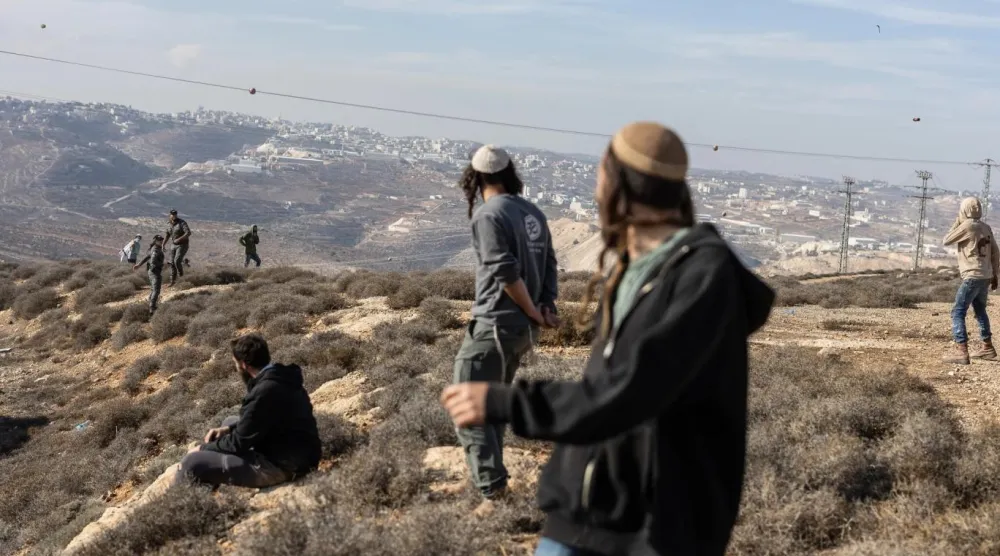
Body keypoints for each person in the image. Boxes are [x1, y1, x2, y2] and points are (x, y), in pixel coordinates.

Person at [441, 122, 775, 556]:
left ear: (619, 185)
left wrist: (503, 402)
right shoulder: (631, 266)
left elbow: (630, 391)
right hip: (589, 512)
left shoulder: (701, 278)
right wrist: (542, 308)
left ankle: (490, 486)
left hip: (657, 529)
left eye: (600, 174)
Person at [451, 144, 559, 501]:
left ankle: (492, 491)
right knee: (491, 404)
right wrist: (545, 308)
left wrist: (531, 309)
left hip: (495, 325)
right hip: (521, 332)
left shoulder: (489, 215)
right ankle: (491, 479)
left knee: (467, 403)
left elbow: (504, 271)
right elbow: (548, 266)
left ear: (476, 177)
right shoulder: (532, 213)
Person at [178, 334, 322, 488]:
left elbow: (238, 443)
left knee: (191, 463)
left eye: (235, 363)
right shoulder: (282, 376)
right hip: (302, 452)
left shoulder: (264, 392)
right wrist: (229, 430)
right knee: (229, 422)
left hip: (283, 465)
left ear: (244, 365)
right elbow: (265, 419)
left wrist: (202, 448)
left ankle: (186, 506)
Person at [942, 197, 1000, 364]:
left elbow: (946, 240)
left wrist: (958, 221)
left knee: (958, 311)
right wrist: (995, 275)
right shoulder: (986, 227)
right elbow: (996, 252)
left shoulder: (967, 226)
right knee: (980, 310)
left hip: (972, 275)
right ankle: (987, 347)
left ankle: (961, 351)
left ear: (964, 209)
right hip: (985, 275)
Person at [132, 235, 165, 314]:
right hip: (155, 271)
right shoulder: (156, 249)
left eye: (162, 240)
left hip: (152, 271)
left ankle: (150, 304)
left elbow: (147, 257)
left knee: (154, 289)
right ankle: (152, 308)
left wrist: (139, 264)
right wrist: (163, 264)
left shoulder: (155, 248)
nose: (161, 241)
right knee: (156, 290)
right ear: (156, 241)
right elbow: (153, 261)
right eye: (160, 240)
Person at [164, 209, 191, 287]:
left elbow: (188, 233)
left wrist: (179, 239)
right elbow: (167, 235)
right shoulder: (169, 224)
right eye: (172, 214)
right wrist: (163, 244)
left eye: (175, 214)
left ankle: (181, 278)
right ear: (170, 215)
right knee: (172, 262)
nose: (174, 215)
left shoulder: (182, 223)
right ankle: (173, 281)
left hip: (183, 245)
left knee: (177, 261)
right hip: (173, 245)